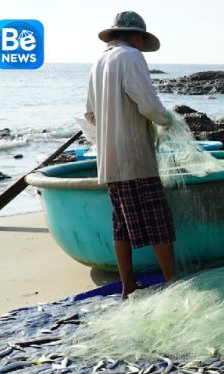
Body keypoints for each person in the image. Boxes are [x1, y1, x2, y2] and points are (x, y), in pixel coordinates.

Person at [85, 11, 177, 299]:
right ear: (137, 37)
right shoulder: (131, 57)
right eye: (141, 41)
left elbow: (90, 115)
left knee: (121, 223)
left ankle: (127, 286)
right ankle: (173, 283)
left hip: (109, 159)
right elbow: (148, 103)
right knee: (157, 222)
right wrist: (168, 122)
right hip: (134, 157)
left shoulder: (98, 62)